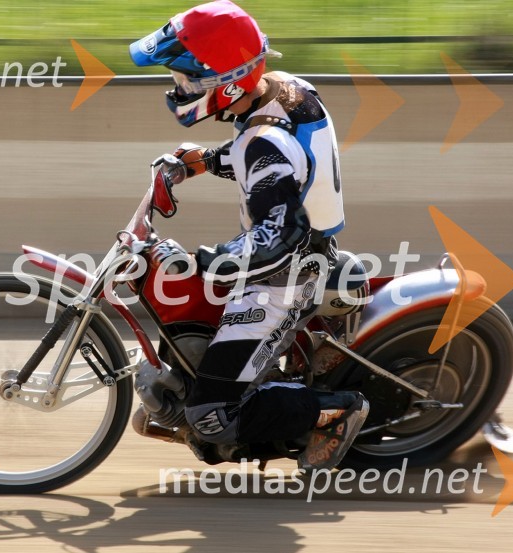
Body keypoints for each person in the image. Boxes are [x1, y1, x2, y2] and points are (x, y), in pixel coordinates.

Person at [129, 0, 368, 470]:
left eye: (188, 81)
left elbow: (279, 235)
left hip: (284, 279)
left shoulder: (265, 144)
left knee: (210, 416)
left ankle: (335, 411)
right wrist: (202, 161)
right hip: (296, 255)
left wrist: (202, 262)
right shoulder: (284, 89)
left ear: (229, 80)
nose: (179, 90)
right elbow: (275, 159)